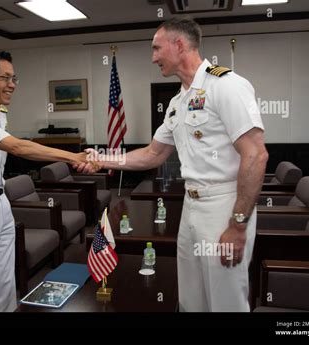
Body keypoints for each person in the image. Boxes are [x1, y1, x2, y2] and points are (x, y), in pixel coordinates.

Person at [77, 17, 268, 312]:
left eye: (156, 48)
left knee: (225, 300)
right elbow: (153, 154)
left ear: (179, 44)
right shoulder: (178, 102)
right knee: (191, 298)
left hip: (224, 207)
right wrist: (102, 158)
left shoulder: (226, 85)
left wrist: (238, 225)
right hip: (190, 207)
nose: (153, 57)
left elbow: (256, 155)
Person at [0, 50, 87, 312]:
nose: (12, 84)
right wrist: (73, 156)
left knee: (4, 281)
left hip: (0, 201)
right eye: (5, 78)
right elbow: (19, 148)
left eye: (14, 78)